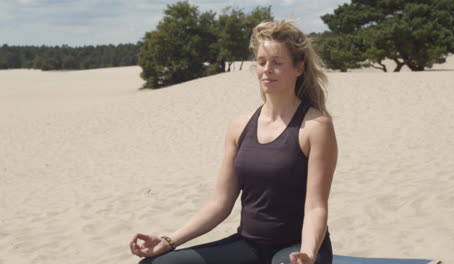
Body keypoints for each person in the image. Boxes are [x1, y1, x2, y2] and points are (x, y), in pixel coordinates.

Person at [129, 19, 338, 264]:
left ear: (299, 68)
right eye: (261, 62)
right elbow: (221, 202)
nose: (267, 69)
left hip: (298, 247)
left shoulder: (315, 126)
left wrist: (310, 253)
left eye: (278, 63)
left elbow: (316, 206)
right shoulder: (240, 125)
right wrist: (169, 241)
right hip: (248, 246)